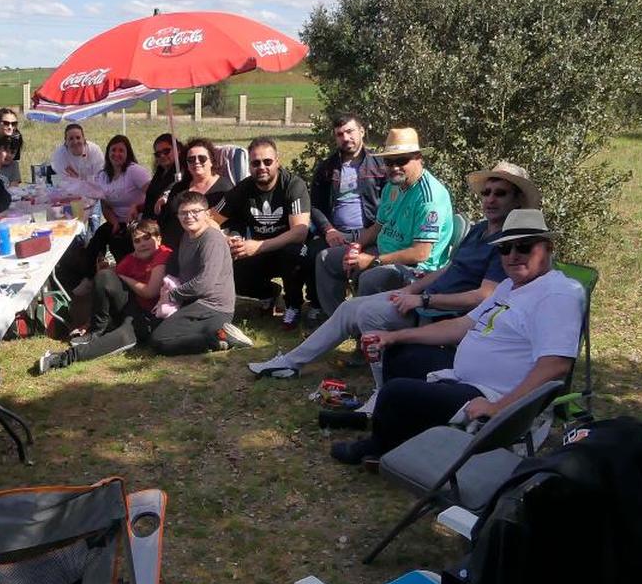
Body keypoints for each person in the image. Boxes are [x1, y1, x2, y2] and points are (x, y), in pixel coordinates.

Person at [249, 161, 538, 389]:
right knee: (350, 307)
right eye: (487, 192)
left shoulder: (512, 244)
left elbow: (484, 297)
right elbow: (448, 269)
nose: (490, 199)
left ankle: (383, 390)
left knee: (368, 315)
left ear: (517, 200)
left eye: (500, 193)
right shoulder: (479, 229)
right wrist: (413, 292)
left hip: (443, 315)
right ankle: (290, 362)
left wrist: (424, 300)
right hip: (427, 298)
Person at [329, 209, 584, 465]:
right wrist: (394, 336)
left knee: (396, 393)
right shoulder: (510, 286)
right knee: (400, 354)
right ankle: (404, 431)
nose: (513, 255)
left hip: (494, 395)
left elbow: (556, 366)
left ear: (548, 247)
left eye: (524, 247)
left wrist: (500, 407)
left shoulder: (558, 294)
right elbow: (460, 325)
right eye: (505, 248)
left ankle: (381, 447)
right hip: (466, 378)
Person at [314, 127, 453, 317]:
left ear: (419, 158)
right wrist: (356, 247)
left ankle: (364, 327)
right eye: (389, 161)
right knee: (326, 259)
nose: (394, 167)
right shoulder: (392, 187)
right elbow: (377, 228)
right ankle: (340, 320)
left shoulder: (429, 198)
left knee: (371, 278)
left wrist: (372, 261)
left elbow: (420, 253)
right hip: (384, 252)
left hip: (416, 269)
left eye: (402, 160)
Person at [37, 218, 173, 372]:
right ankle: (96, 331)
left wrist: (125, 278)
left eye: (147, 238)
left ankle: (60, 359)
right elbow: (107, 282)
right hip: (132, 309)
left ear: (159, 239)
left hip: (150, 318)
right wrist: (88, 324)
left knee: (122, 337)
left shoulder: (163, 254)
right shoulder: (132, 258)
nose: (142, 244)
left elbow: (150, 292)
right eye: (137, 241)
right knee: (104, 275)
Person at [212, 137, 311, 329]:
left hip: (286, 247)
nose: (262, 167)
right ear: (249, 166)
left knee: (293, 253)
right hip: (256, 250)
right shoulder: (242, 188)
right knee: (228, 260)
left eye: (267, 162)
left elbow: (300, 232)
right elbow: (211, 220)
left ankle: (293, 305)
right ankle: (268, 293)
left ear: (277, 161)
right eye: (256, 163)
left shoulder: (292, 185)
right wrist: (227, 239)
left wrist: (258, 246)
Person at [148, 191, 252, 355]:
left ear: (206, 214)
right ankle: (211, 333)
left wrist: (171, 295)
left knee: (160, 340)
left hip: (214, 307)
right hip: (193, 303)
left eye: (195, 211)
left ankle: (221, 338)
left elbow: (204, 283)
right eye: (183, 213)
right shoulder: (186, 236)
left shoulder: (212, 239)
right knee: (152, 327)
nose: (189, 216)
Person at [305, 113, 387, 322]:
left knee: (367, 265)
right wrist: (328, 230)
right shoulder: (326, 168)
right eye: (339, 134)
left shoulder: (380, 166)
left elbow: (389, 204)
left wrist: (373, 233)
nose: (345, 138)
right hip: (336, 233)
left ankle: (364, 313)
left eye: (350, 131)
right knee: (313, 253)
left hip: (371, 232)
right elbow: (314, 206)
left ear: (361, 132)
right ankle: (332, 315)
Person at [65, 134, 152, 264]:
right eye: (113, 150)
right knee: (96, 241)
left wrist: (137, 207)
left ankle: (126, 275)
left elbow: (153, 195)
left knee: (118, 243)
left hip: (138, 221)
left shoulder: (134, 171)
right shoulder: (103, 176)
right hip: (117, 221)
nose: (116, 154)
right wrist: (114, 222)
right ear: (108, 153)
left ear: (128, 153)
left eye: (121, 150)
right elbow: (105, 205)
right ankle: (87, 276)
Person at [155, 137, 232, 250]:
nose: (196, 162)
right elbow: (166, 218)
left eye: (202, 158)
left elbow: (228, 221)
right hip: (170, 246)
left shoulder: (224, 188)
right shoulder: (179, 187)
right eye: (191, 159)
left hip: (204, 247)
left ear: (211, 161)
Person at [141, 133, 185, 220]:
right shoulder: (160, 172)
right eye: (158, 154)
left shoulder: (182, 172)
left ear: (178, 150)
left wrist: (166, 197)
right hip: (149, 221)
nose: (162, 156)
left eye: (166, 151)